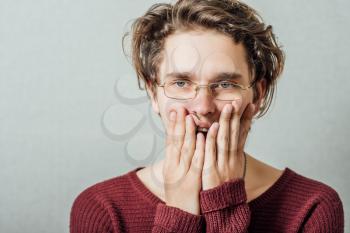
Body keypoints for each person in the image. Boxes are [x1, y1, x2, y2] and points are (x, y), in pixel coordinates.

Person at [69, 0, 344, 232]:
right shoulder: (102, 209)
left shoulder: (312, 208)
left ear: (257, 95)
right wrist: (178, 215)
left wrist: (224, 209)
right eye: (180, 83)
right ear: (154, 94)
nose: (203, 106)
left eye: (225, 84)